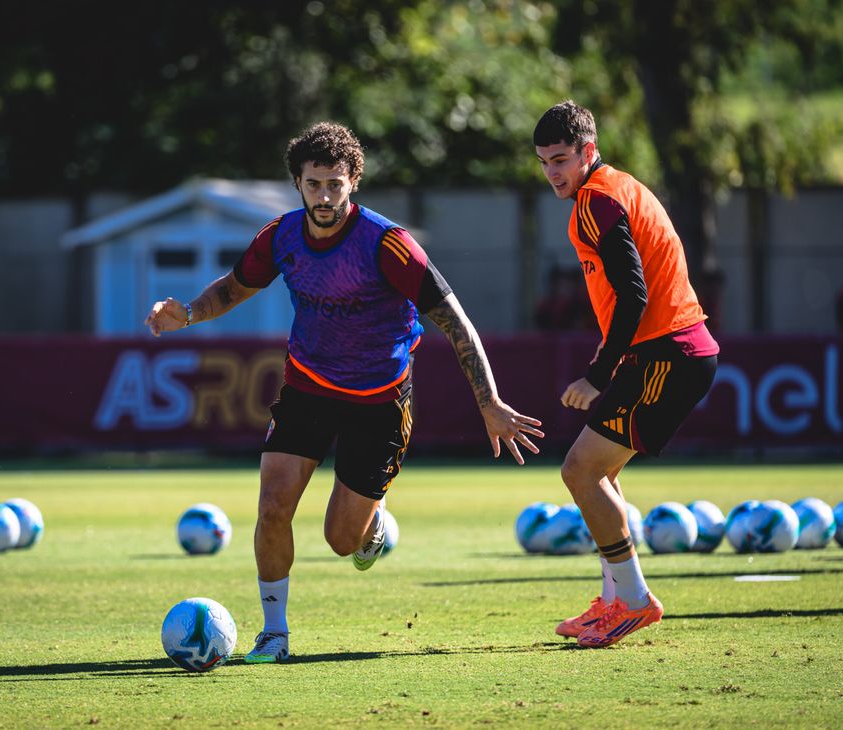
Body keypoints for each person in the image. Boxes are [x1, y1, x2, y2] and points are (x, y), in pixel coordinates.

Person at [145, 122, 544, 664]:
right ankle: (275, 635)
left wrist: (489, 402)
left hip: (380, 403)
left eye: (336, 184)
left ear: (353, 181)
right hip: (307, 388)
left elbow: (456, 323)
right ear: (298, 184)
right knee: (272, 506)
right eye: (314, 185)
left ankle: (372, 522)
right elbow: (233, 288)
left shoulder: (388, 245)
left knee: (341, 540)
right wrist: (188, 312)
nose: (325, 196)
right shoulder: (280, 237)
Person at [533, 101, 719, 648]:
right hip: (666, 351)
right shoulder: (617, 187)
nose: (552, 174)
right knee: (602, 476)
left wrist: (597, 373)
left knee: (579, 472)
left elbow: (634, 295)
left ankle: (633, 601)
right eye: (544, 162)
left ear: (589, 151)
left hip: (669, 353)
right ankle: (614, 598)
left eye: (561, 159)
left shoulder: (594, 201)